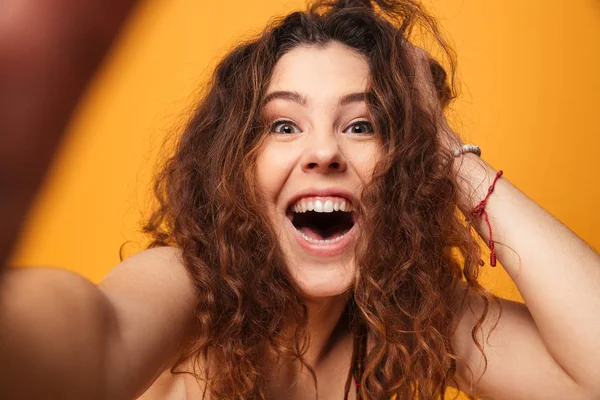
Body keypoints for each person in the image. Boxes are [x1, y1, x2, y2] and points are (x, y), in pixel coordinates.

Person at [1, 0, 600, 399]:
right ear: (234, 166)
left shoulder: (419, 318)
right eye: (283, 126)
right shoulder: (191, 288)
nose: (324, 152)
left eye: (362, 126)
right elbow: (95, 340)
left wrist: (447, 154)